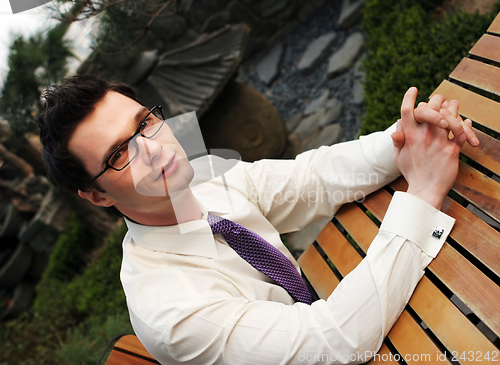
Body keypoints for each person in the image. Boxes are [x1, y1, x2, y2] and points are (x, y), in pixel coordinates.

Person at [38, 75, 478, 364]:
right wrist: (422, 192)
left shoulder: (207, 175)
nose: (151, 149)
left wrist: (404, 141)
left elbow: (313, 180)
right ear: (96, 195)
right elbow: (338, 341)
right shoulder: (171, 312)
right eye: (118, 154)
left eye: (145, 123)